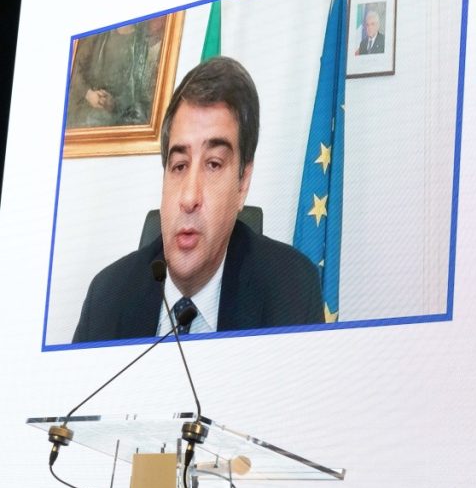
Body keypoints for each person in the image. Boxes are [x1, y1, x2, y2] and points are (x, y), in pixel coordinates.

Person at [73, 57, 324, 343]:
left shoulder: (292, 292)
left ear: (243, 183)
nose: (189, 197)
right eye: (179, 166)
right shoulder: (106, 299)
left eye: (213, 164)